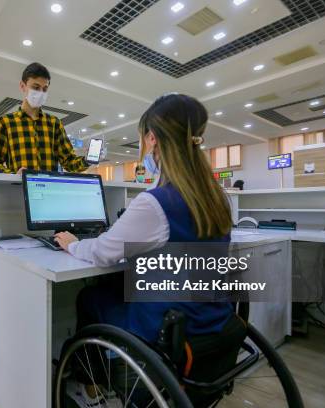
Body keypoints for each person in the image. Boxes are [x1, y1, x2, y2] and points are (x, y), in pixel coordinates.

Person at [55, 93, 234, 343]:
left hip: (168, 327)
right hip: (212, 318)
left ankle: (94, 379)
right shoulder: (218, 197)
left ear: (152, 138)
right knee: (120, 284)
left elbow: (102, 252)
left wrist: (73, 243)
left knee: (90, 296)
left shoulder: (155, 203)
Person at [0, 62, 89, 174]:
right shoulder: (5, 123)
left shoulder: (54, 123)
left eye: (44, 89)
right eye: (35, 87)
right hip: (19, 189)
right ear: (22, 86)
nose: (41, 93)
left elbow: (69, 162)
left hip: (50, 189)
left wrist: (88, 160)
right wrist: (13, 175)